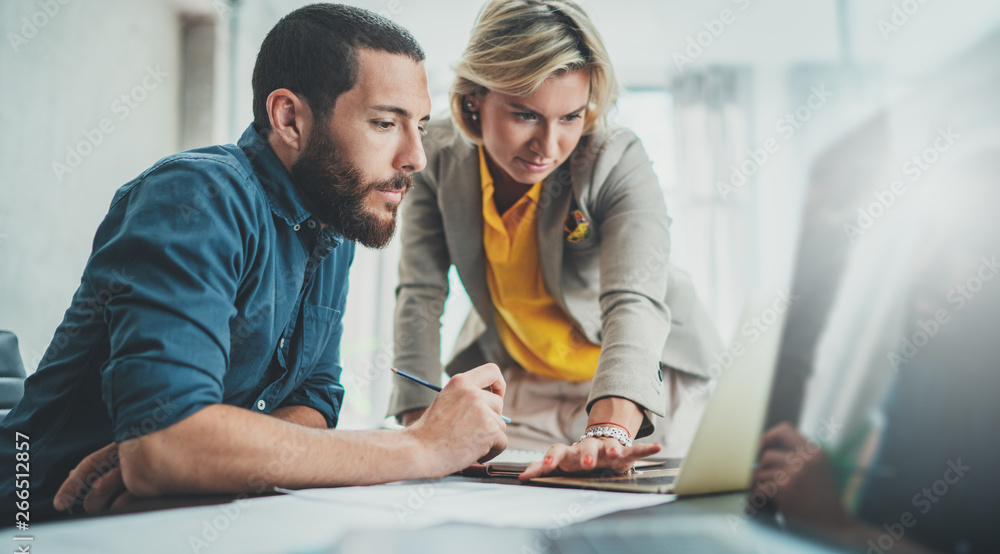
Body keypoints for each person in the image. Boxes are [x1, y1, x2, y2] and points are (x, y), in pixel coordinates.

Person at [0, 3, 508, 524]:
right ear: (289, 117)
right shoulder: (196, 197)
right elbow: (166, 448)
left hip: (161, 531)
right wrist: (420, 448)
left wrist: (209, 451)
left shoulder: (333, 219)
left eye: (420, 126)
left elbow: (315, 399)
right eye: (384, 123)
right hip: (36, 533)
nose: (416, 157)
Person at [389, 0, 722, 479]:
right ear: (473, 101)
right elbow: (421, 293)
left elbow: (634, 300)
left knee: (631, 509)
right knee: (493, 495)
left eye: (570, 117)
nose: (548, 146)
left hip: (649, 380)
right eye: (525, 115)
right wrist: (418, 427)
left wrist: (609, 432)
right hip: (526, 379)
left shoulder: (615, 158)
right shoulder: (436, 153)